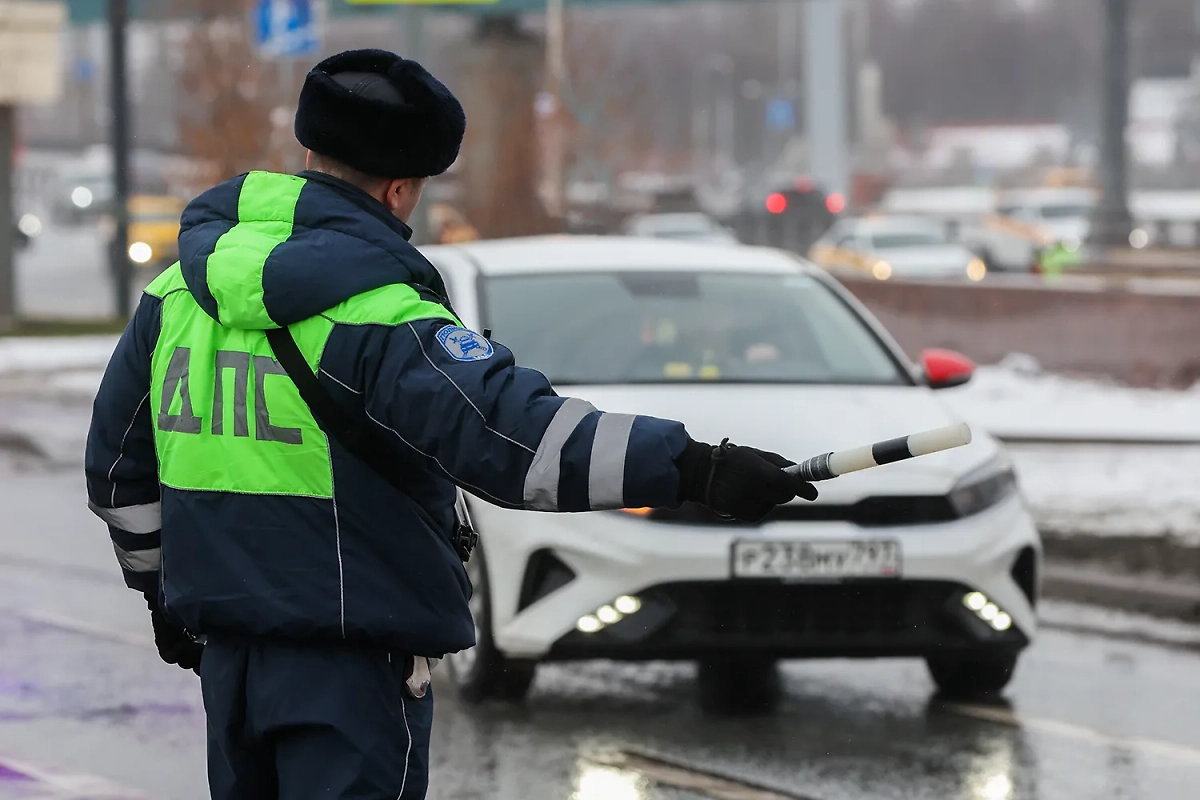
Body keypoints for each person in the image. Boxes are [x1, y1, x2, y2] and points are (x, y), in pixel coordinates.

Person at [84, 49, 818, 800]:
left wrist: (160, 594)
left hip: (232, 660)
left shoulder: (176, 295)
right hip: (353, 667)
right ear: (401, 190)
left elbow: (117, 474)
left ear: (309, 152)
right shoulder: (379, 314)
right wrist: (696, 467)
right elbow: (518, 442)